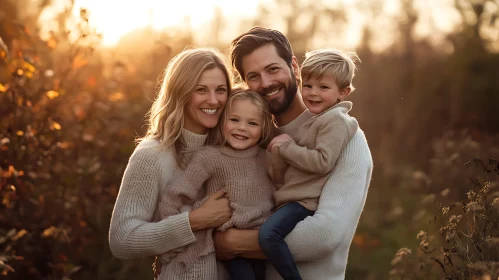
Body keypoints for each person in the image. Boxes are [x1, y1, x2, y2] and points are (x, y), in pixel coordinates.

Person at [214, 26, 374, 280]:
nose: (265, 83)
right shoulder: (251, 140)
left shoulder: (348, 139)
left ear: (294, 67)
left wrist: (230, 243)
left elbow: (322, 237)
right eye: (253, 76)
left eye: (273, 69)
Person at [108, 48, 234, 280]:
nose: (214, 100)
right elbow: (122, 239)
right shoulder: (152, 155)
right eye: (201, 90)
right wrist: (193, 222)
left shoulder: (231, 150)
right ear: (181, 93)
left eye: (221, 90)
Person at [259, 48, 361, 280]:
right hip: (290, 200)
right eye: (308, 85)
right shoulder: (321, 119)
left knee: (268, 236)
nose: (313, 93)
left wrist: (286, 148)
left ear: (343, 92)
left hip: (302, 203)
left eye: (323, 87)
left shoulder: (336, 121)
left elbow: (322, 162)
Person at [158, 88, 277, 280]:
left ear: (264, 128)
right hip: (230, 244)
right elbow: (176, 192)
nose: (242, 128)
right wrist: (171, 238)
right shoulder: (210, 157)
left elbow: (279, 195)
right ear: (222, 120)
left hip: (260, 243)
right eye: (234, 120)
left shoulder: (266, 158)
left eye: (252, 123)